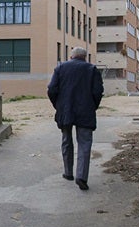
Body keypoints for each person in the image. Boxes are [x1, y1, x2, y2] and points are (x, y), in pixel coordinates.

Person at [47, 47, 104, 190]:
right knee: (84, 143)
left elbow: (52, 89)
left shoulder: (60, 68)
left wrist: (58, 106)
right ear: (85, 57)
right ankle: (82, 176)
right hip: (86, 111)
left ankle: (68, 172)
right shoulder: (92, 69)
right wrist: (93, 106)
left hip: (65, 111)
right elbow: (98, 92)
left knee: (66, 140)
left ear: (71, 56)